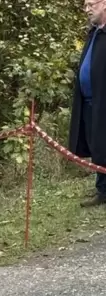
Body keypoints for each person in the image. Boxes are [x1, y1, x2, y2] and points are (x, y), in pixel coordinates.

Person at [68, 0, 106, 207]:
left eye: (91, 4)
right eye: (85, 5)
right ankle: (103, 190)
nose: (87, 9)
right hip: (91, 103)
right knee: (98, 146)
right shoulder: (94, 33)